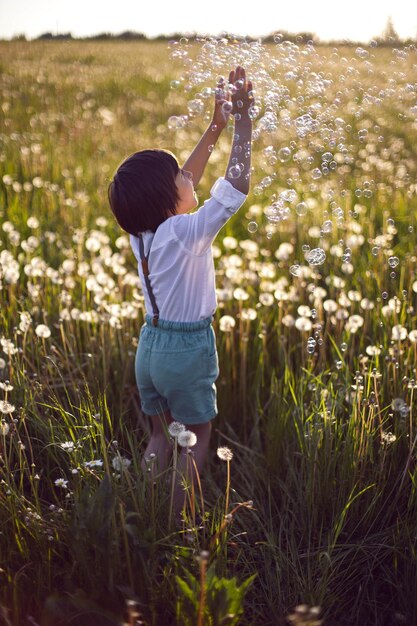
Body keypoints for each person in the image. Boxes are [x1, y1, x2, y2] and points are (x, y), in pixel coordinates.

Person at [108, 66, 253, 521]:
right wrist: (245, 121)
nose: (190, 178)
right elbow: (234, 189)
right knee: (196, 439)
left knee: (158, 438)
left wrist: (216, 125)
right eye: (181, 178)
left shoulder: (144, 232)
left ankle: (142, 506)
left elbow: (182, 181)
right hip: (187, 349)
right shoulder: (189, 232)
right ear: (171, 198)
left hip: (149, 347)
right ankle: (173, 523)